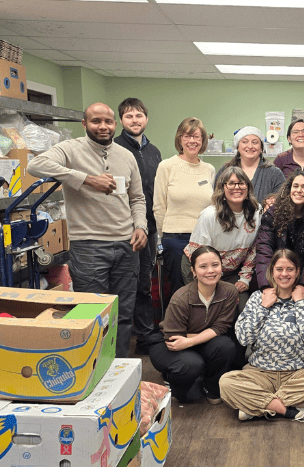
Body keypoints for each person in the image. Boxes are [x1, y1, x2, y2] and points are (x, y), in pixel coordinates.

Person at [27, 102, 147, 359]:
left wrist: (140, 226)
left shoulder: (126, 156)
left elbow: (137, 198)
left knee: (124, 314)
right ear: (85, 124)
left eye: (108, 121)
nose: (103, 126)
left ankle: (118, 368)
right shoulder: (70, 150)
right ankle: (90, 368)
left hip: (127, 245)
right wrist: (84, 179)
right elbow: (35, 166)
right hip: (89, 247)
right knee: (90, 312)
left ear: (115, 124)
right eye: (96, 121)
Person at [219, 249, 304, 421]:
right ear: (271, 271)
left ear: (298, 272)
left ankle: (257, 405)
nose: (284, 274)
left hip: (296, 374)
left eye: (290, 269)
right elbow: (243, 338)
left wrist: (300, 304)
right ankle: (289, 409)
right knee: (226, 382)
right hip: (259, 372)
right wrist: (263, 307)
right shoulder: (258, 297)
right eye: (279, 269)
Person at [149, 246, 239, 404]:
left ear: (221, 267)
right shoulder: (181, 297)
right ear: (194, 271)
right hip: (167, 343)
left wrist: (191, 341)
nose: (210, 271)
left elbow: (221, 327)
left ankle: (211, 388)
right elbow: (173, 338)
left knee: (225, 345)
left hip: (192, 340)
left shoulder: (230, 291)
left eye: (215, 265)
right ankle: (171, 377)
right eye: (203, 266)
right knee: (190, 371)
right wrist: (204, 336)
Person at [113, 97, 162, 355]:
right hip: (122, 230)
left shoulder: (154, 152)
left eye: (139, 115)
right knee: (124, 285)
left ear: (146, 118)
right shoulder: (114, 148)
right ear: (122, 120)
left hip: (150, 229)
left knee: (144, 283)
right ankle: (119, 340)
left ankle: (144, 335)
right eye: (129, 116)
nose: (135, 120)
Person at [182, 166, 262, 315]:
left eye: (241, 183)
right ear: (222, 188)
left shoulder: (257, 211)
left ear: (248, 187)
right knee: (208, 310)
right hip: (201, 268)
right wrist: (213, 281)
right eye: (231, 183)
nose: (236, 188)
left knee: (243, 309)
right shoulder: (210, 215)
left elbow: (254, 248)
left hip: (232, 272)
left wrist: (244, 278)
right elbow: (198, 254)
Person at [153, 117, 216, 305]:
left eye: (197, 136)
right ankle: (177, 328)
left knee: (203, 286)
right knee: (178, 288)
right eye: (187, 136)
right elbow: (158, 206)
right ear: (180, 139)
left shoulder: (209, 169)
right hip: (175, 239)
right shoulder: (166, 166)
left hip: (204, 238)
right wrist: (163, 236)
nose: (192, 141)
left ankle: (200, 328)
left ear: (203, 140)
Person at [255, 170, 304, 291]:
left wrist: (303, 285)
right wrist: (267, 286)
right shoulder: (273, 214)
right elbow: (264, 250)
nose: (299, 190)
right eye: (295, 186)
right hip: (275, 275)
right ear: (289, 189)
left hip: (303, 277)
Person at [215, 126, 285, 203]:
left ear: (261, 148)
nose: (250, 146)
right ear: (237, 146)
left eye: (254, 142)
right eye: (245, 142)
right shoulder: (225, 170)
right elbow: (217, 198)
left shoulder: (274, 174)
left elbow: (281, 203)